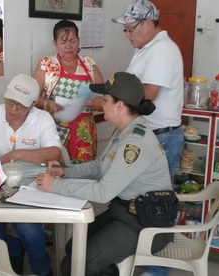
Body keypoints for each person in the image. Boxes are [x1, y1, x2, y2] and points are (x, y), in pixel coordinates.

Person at [36, 72, 173, 276]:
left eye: (106, 100)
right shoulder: (123, 131)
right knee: (73, 247)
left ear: (119, 106)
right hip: (124, 213)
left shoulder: (135, 143)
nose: (101, 103)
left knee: (74, 265)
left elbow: (103, 192)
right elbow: (100, 167)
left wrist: (55, 186)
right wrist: (66, 171)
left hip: (144, 224)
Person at [112, 1, 185, 275]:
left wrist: (110, 104)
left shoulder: (163, 49)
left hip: (162, 139)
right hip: (148, 137)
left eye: (130, 29)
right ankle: (139, 261)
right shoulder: (145, 49)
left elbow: (147, 95)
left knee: (156, 209)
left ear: (148, 23)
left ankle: (157, 271)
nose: (127, 35)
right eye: (125, 31)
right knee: (140, 207)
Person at [0, 74, 60, 276]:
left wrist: (17, 154)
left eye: (21, 106)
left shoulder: (42, 118)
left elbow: (54, 152)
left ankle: (43, 269)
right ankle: (11, 261)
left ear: (34, 104)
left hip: (31, 181)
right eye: (10, 102)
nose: (13, 110)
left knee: (27, 227)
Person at [33, 19, 104, 164]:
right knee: (56, 170)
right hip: (54, 128)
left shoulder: (89, 64)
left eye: (72, 41)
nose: (68, 46)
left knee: (85, 173)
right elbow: (33, 97)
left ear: (78, 41)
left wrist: (89, 102)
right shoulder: (47, 64)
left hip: (84, 131)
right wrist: (49, 104)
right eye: (63, 42)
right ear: (55, 43)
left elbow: (105, 99)